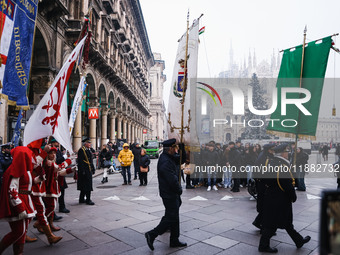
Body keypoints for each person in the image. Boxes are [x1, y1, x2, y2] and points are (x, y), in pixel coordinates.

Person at [258, 144, 311, 253]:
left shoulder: (271, 162)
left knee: (286, 223)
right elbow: (287, 185)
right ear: (282, 153)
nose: (288, 153)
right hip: (280, 198)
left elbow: (263, 179)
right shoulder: (281, 166)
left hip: (271, 196)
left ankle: (299, 240)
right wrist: (293, 196)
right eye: (287, 151)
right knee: (271, 224)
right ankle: (263, 246)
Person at [145, 138, 187, 251]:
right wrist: (179, 189)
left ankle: (174, 240)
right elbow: (172, 180)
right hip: (169, 193)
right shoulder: (165, 161)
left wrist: (182, 146)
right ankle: (152, 234)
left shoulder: (169, 157)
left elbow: (181, 160)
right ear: (170, 149)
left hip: (171, 193)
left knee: (173, 216)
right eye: (176, 148)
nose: (177, 150)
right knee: (171, 217)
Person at [0, 147, 41, 254]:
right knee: (19, 231)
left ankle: (19, 253)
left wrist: (39, 179)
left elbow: (27, 184)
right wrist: (20, 208)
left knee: (23, 231)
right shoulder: (15, 169)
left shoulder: (25, 169)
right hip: (20, 203)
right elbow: (12, 191)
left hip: (26, 201)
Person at [252, 143, 276, 230]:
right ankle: (264, 227)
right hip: (263, 184)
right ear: (269, 150)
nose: (274, 151)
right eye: (272, 149)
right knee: (265, 205)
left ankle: (258, 222)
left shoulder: (264, 155)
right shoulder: (265, 157)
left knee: (265, 205)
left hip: (261, 183)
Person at [77, 140, 95, 205]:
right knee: (87, 185)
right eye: (88, 143)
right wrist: (82, 171)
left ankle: (81, 199)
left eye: (90, 143)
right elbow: (80, 161)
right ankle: (88, 199)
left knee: (85, 185)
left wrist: (93, 168)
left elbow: (90, 160)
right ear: (85, 143)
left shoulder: (88, 150)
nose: (90, 144)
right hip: (85, 170)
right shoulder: (82, 150)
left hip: (88, 169)